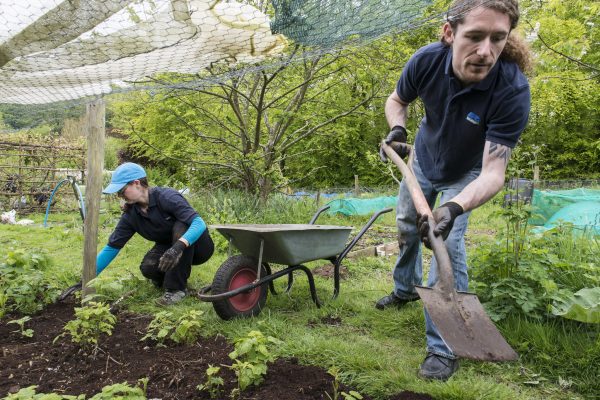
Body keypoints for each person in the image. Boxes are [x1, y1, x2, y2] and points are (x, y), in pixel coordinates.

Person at [377, 0, 531, 380]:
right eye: (475, 36)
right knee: (407, 226)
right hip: (423, 160)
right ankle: (404, 290)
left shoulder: (511, 89)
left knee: (447, 245)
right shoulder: (427, 62)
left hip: (468, 173)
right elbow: (397, 101)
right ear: (449, 33)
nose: (486, 51)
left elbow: (494, 173)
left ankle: (443, 348)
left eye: (498, 38)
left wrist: (454, 209)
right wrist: (397, 130)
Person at [96, 162, 214, 305]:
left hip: (199, 246)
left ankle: (176, 289)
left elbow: (199, 223)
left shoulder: (166, 197)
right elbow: (112, 246)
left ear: (136, 183)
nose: (120, 196)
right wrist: (86, 279)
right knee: (149, 268)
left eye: (122, 191)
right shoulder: (131, 215)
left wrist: (177, 248)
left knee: (182, 224)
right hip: (168, 245)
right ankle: (172, 278)